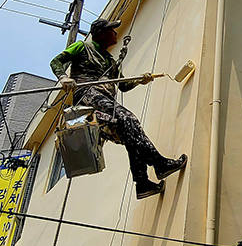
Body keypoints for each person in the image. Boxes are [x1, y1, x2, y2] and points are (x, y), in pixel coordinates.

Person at [50, 18, 186, 199]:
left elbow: (123, 85)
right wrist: (63, 78)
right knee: (128, 119)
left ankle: (142, 183)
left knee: (130, 134)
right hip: (87, 95)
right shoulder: (82, 47)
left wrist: (140, 80)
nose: (115, 33)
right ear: (100, 33)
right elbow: (57, 61)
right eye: (111, 30)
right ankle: (159, 163)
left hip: (104, 99)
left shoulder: (110, 61)